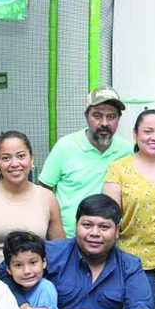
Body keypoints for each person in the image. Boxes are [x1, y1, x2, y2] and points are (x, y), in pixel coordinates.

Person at [0, 194, 153, 309]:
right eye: (87, 225)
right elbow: (0, 275)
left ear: (116, 231)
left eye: (104, 227)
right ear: (76, 226)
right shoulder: (50, 253)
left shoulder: (129, 266)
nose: (94, 233)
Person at [103, 109, 155, 309]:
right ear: (135, 134)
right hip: (135, 264)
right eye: (148, 131)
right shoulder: (119, 168)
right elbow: (109, 218)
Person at [0, 130, 65, 267]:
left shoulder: (47, 197)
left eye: (21, 156)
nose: (14, 163)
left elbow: (60, 251)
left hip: (34, 277)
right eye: (6, 158)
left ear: (31, 159)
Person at [39, 86, 132, 237]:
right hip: (68, 237)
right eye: (97, 116)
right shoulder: (65, 147)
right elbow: (44, 191)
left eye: (111, 116)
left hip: (108, 239)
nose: (104, 123)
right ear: (86, 116)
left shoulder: (126, 150)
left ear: (118, 119)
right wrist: (56, 235)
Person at [2, 231, 62, 309]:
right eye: (18, 265)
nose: (27, 271)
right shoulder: (6, 289)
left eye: (33, 263)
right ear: (8, 270)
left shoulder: (45, 289)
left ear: (44, 262)